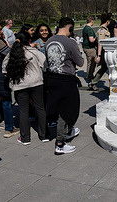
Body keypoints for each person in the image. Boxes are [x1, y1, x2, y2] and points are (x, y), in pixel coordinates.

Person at [45, 17, 84, 155]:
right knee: (67, 110)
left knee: (60, 108)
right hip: (66, 80)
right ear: (70, 27)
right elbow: (80, 62)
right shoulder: (70, 42)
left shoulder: (49, 41)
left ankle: (67, 131)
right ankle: (60, 143)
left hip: (52, 78)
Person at [3, 32, 48, 145]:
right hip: (36, 83)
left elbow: (4, 70)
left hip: (20, 85)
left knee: (23, 111)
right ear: (29, 41)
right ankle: (44, 135)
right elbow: (45, 64)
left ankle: (25, 137)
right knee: (40, 108)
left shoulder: (11, 54)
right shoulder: (34, 52)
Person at [89, 13, 110, 91]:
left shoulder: (105, 29)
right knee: (105, 68)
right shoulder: (101, 30)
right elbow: (100, 43)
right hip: (103, 52)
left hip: (106, 51)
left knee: (104, 68)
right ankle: (93, 82)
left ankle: (93, 82)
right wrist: (99, 55)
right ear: (107, 21)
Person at [82, 16, 97, 90]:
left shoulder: (84, 28)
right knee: (91, 63)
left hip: (85, 47)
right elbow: (91, 40)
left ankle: (89, 75)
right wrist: (96, 38)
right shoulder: (90, 29)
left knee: (89, 62)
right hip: (90, 48)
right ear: (91, 21)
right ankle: (89, 77)